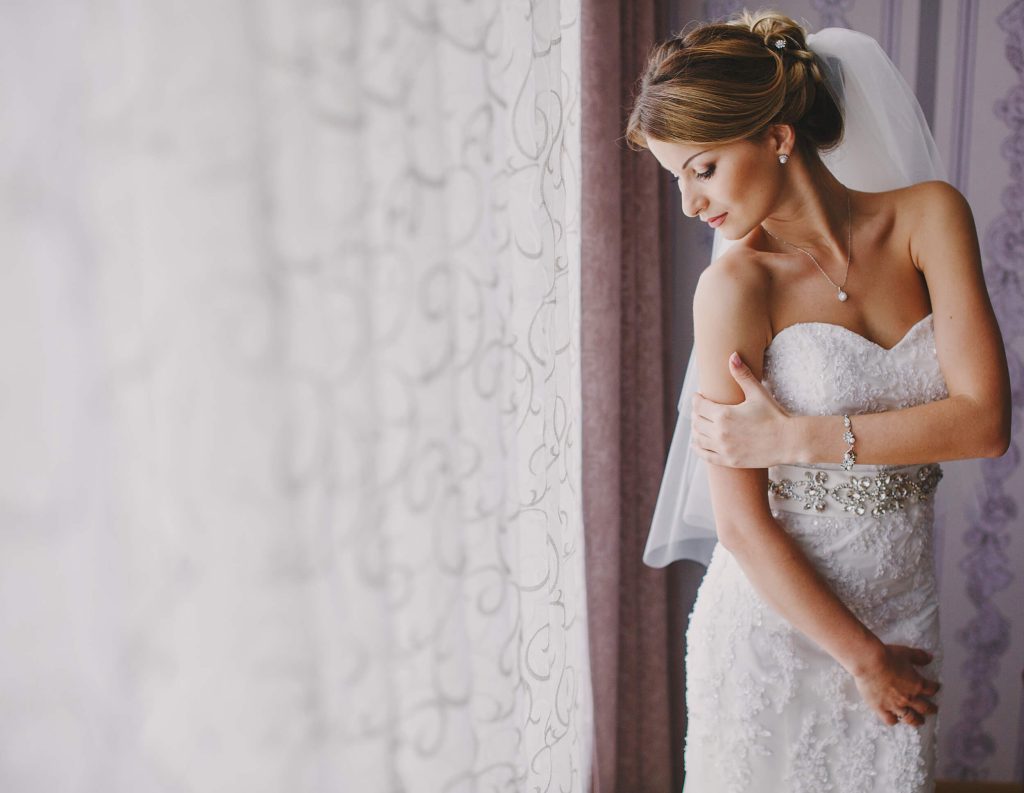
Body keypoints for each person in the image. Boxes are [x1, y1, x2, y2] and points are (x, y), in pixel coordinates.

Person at [624, 10, 1011, 793]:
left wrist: (798, 439)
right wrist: (864, 658)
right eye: (676, 181)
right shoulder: (735, 286)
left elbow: (984, 423)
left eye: (702, 167)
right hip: (774, 628)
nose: (691, 204)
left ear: (776, 135)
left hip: (903, 605)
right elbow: (738, 521)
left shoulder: (931, 217)